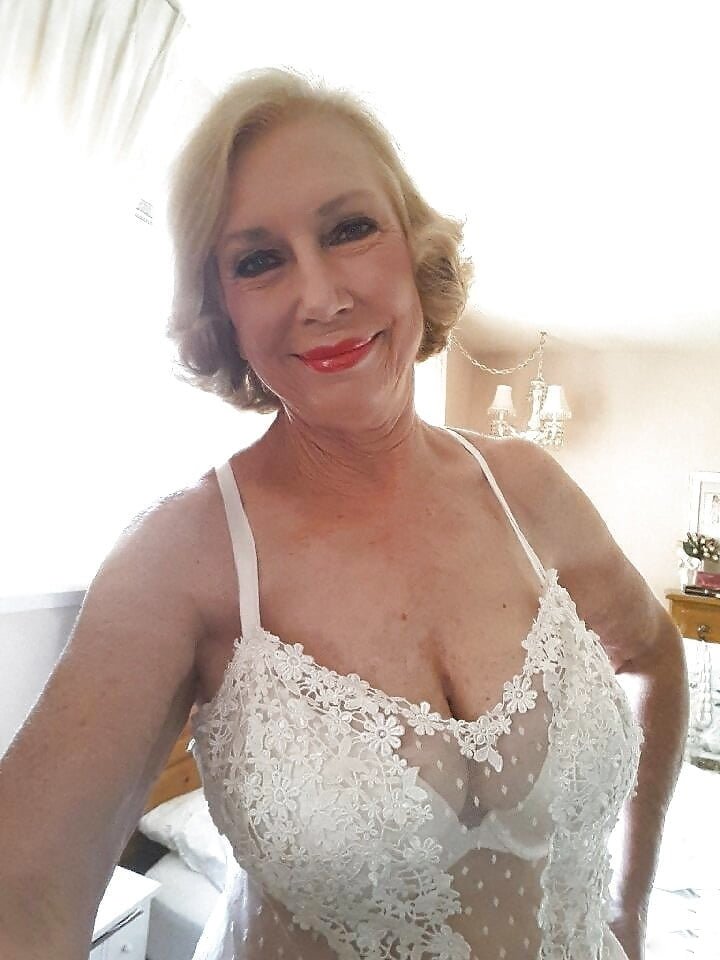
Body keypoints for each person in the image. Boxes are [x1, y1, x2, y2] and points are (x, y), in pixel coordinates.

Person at [0, 66, 688, 960]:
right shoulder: (183, 557)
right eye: (258, 260)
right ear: (221, 310)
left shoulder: (529, 489)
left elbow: (656, 655)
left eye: (349, 229)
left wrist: (629, 908)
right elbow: (25, 890)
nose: (321, 296)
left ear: (414, 248)